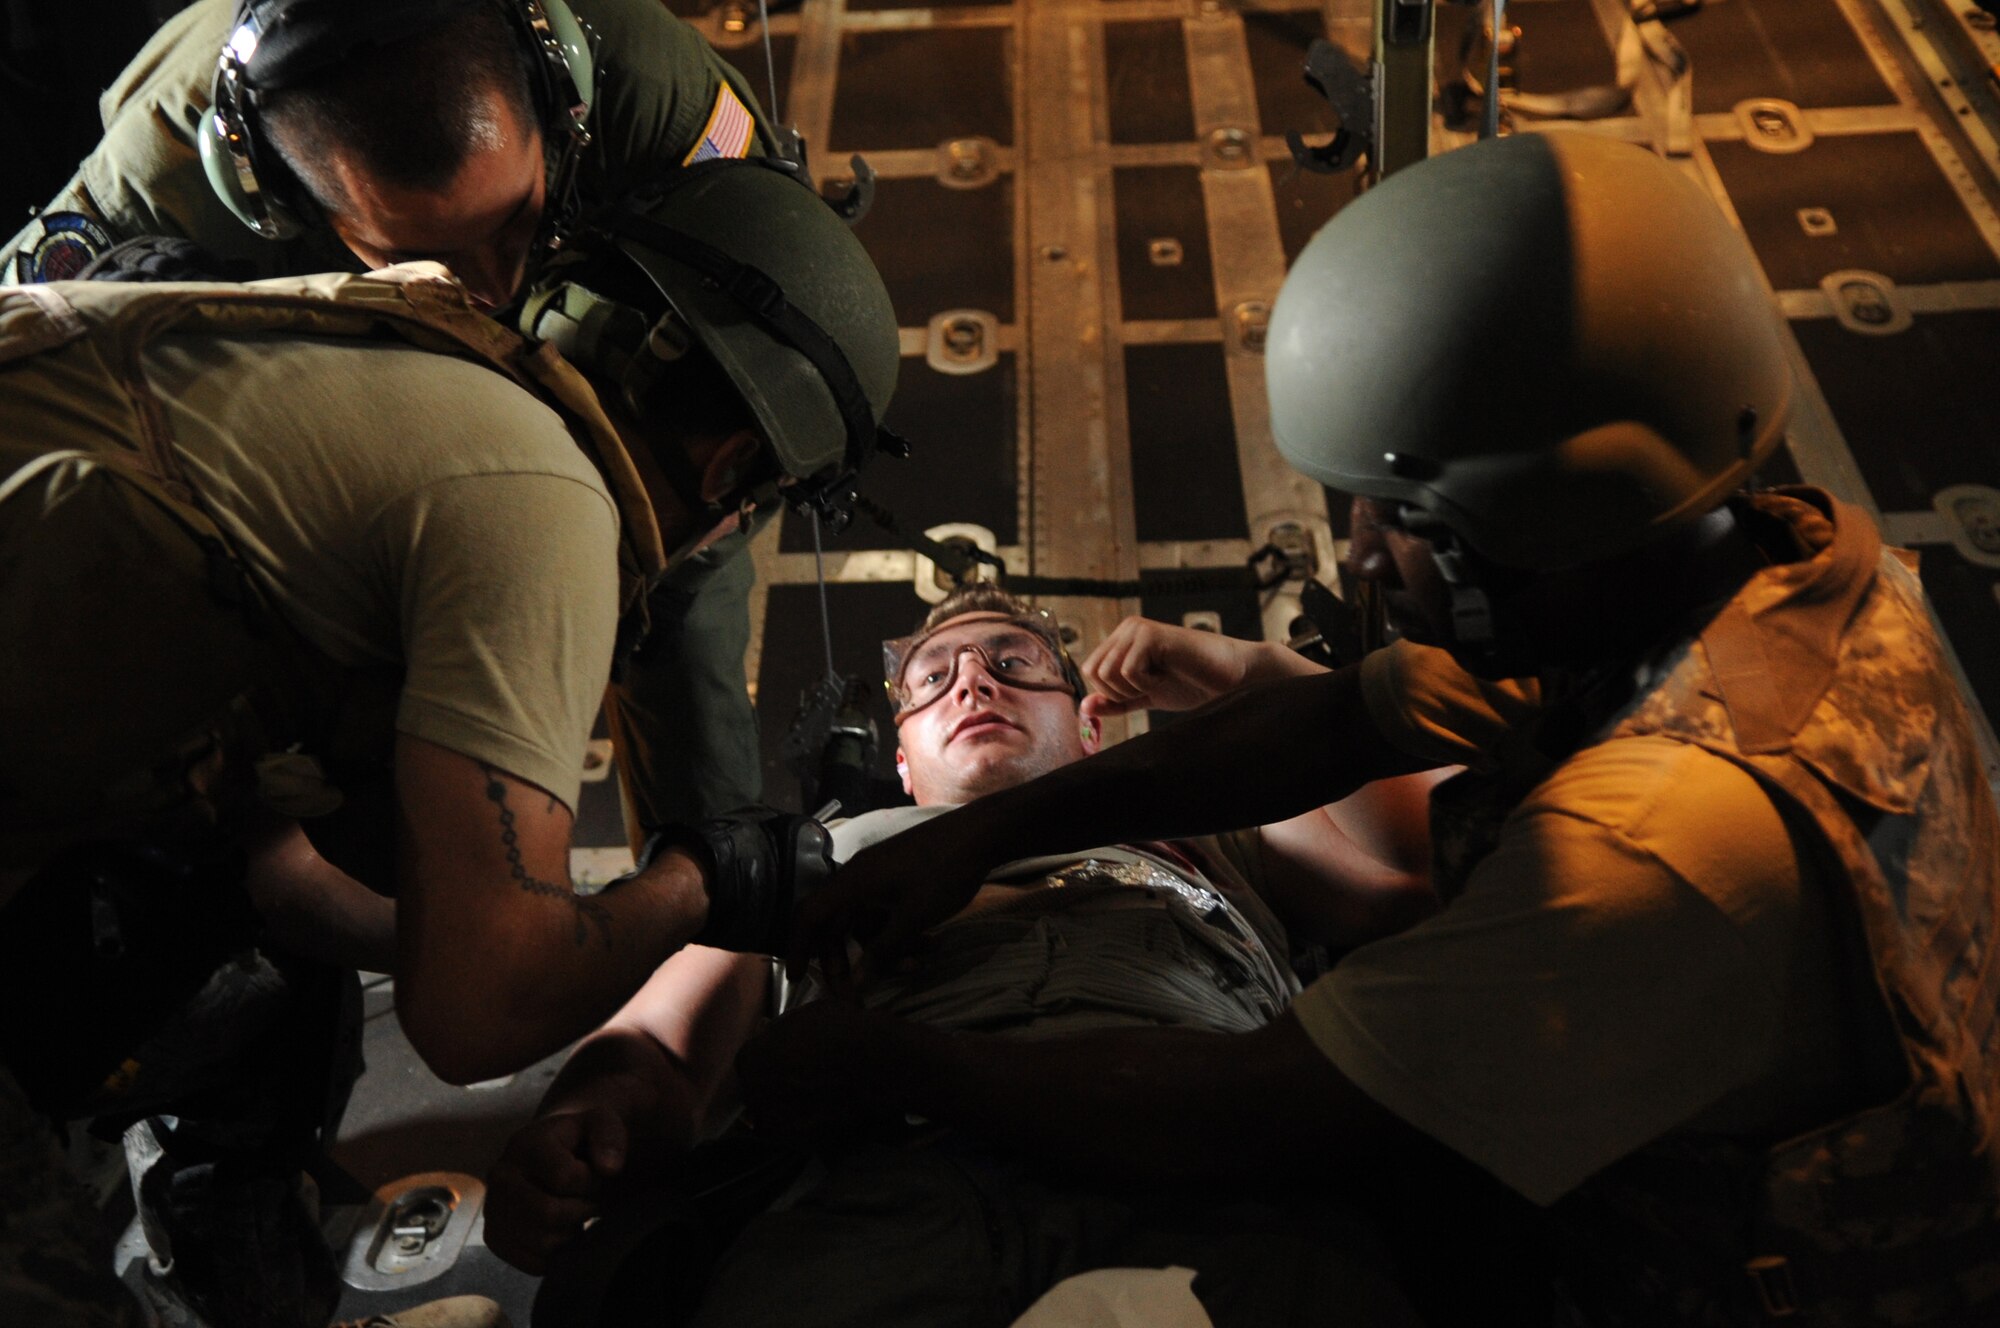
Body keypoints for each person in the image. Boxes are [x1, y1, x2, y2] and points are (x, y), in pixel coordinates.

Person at [775, 131, 2000, 1325]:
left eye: (1399, 514)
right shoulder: (1759, 563)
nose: (1358, 552)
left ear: (1528, 521)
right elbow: (1327, 724)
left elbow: (1255, 1109)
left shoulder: (1658, 840)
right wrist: (987, 834)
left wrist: (894, 1065)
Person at [0, 157, 899, 1327]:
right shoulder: (545, 501)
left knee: (272, 1005)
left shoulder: (390, 348)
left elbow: (277, 874)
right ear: (730, 474)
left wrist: (566, 961)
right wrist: (700, 881)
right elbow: (472, 1021)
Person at [482, 584, 1446, 1327]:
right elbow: (657, 1046)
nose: (974, 682)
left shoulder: (1217, 823)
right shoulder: (813, 858)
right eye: (932, 678)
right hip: (882, 1206)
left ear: (1093, 723)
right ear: (900, 762)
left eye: (1014, 662)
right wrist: (584, 1121)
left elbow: (1414, 864)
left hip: (1211, 1166)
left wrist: (1242, 673)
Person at [4, 0, 787, 832]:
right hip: (318, 347)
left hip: (599, 297)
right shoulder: (173, 169)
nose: (490, 289)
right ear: (275, 195)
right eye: (428, 252)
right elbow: (29, 373)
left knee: (682, 594)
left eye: (511, 221)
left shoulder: (655, 101)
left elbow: (764, 361)